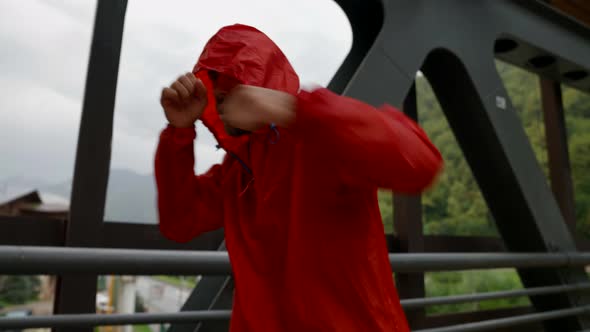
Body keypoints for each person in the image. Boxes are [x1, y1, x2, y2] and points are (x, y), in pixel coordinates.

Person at [155, 24, 442, 332]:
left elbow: (419, 161)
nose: (223, 104)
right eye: (218, 95)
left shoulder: (319, 140)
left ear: (261, 86)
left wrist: (291, 108)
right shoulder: (235, 172)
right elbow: (180, 222)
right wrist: (179, 132)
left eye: (233, 91)